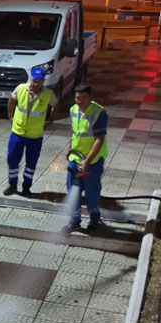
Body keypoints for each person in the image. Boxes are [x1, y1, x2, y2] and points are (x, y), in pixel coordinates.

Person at [4, 65, 57, 197]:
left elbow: (56, 105)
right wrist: (10, 116)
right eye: (34, 79)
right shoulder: (21, 88)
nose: (36, 82)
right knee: (12, 159)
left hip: (35, 135)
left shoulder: (48, 94)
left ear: (43, 80)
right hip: (18, 132)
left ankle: (26, 188)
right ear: (30, 77)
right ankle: (12, 185)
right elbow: (11, 100)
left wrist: (50, 121)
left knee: (31, 164)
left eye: (39, 80)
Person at [63, 83, 108, 233]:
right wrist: (70, 150)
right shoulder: (73, 110)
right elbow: (74, 131)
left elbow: (99, 140)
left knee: (92, 191)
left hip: (93, 161)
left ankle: (94, 218)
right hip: (75, 158)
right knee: (73, 190)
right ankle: (74, 220)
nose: (80, 101)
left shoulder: (98, 113)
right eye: (77, 97)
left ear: (90, 97)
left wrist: (87, 161)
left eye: (84, 97)